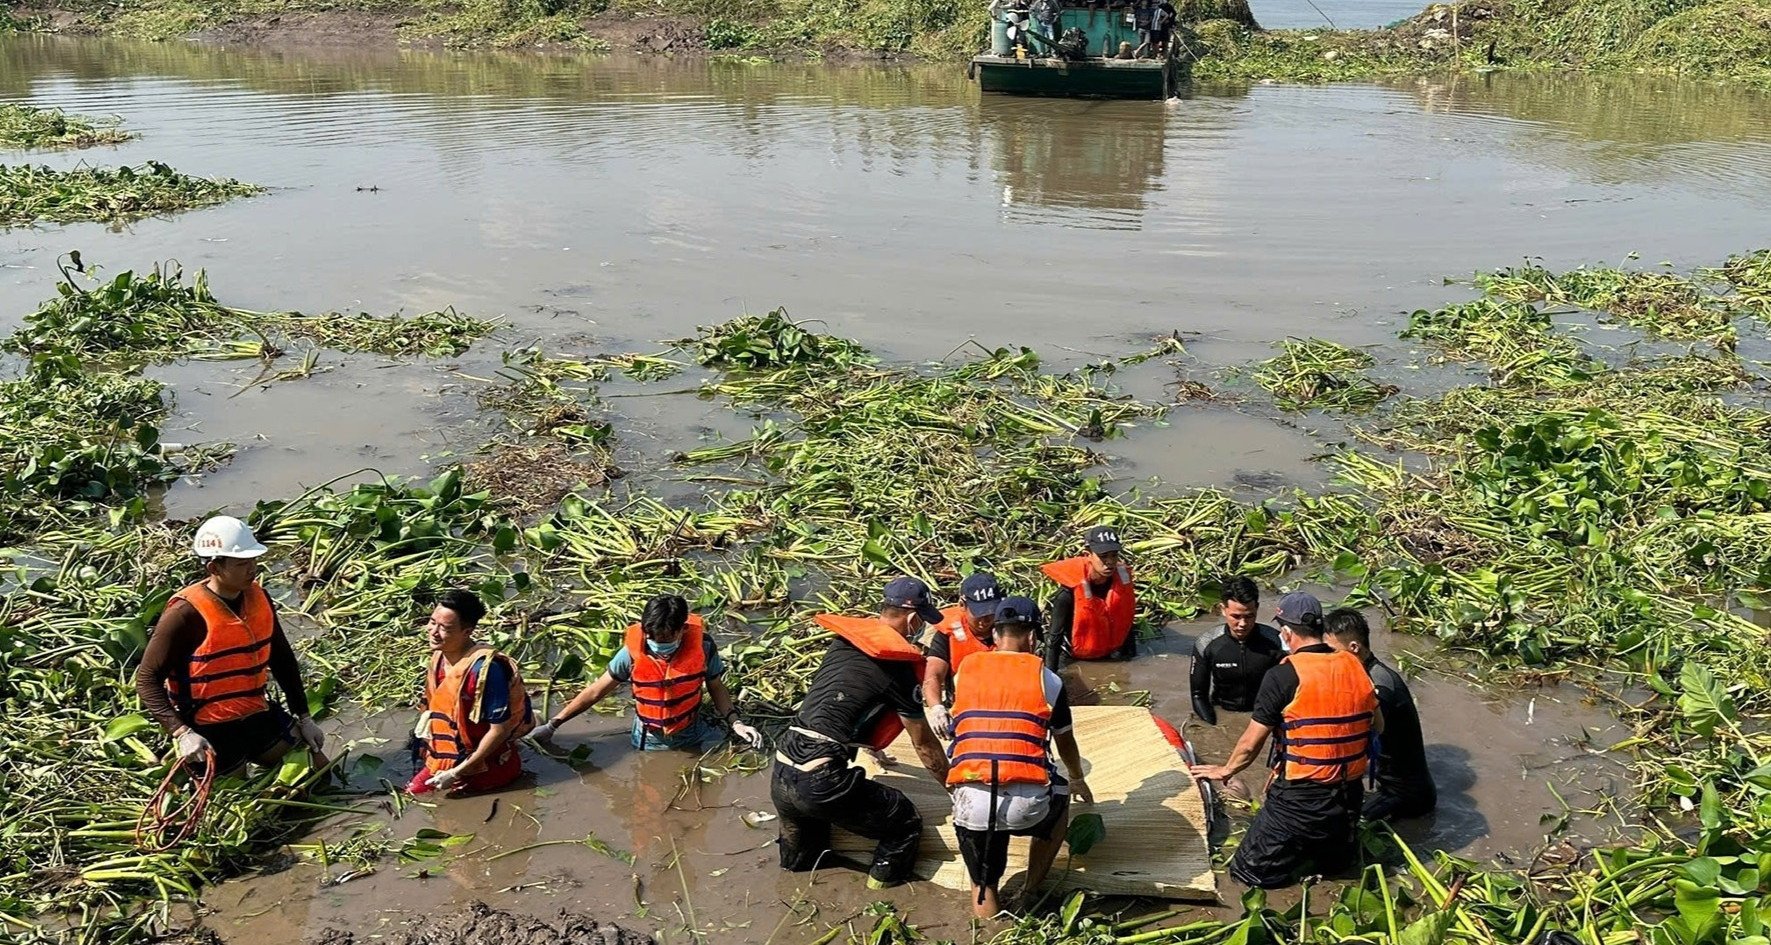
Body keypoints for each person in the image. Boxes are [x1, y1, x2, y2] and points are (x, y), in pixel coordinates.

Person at [1188, 592, 1382, 888]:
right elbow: (1378, 726)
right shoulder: (1355, 665)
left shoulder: (1283, 674)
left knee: (1246, 873)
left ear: (1288, 632)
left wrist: (1225, 770)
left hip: (1301, 800)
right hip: (1349, 798)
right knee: (1335, 866)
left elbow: (1251, 744)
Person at [771, 577, 952, 890]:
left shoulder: (844, 643)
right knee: (903, 823)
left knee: (802, 867)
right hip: (821, 781)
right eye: (922, 621)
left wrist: (872, 748)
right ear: (912, 620)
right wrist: (954, 788)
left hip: (782, 770)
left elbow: (842, 703)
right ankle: (883, 894)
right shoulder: (898, 667)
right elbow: (924, 745)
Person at [135, 515, 325, 775]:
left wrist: (304, 717)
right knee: (235, 798)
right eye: (242, 563)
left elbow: (281, 658)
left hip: (255, 712)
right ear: (214, 568)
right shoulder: (184, 614)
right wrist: (182, 733)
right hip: (207, 725)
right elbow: (147, 679)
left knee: (316, 768)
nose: (252, 569)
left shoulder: (259, 597)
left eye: (253, 560)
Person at [947, 597, 1092, 917]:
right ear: (1032, 638)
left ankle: (987, 917)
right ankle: (1030, 890)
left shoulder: (962, 673)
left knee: (983, 891)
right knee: (1062, 793)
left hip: (972, 804)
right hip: (1026, 808)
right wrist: (1078, 777)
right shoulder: (1049, 680)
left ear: (995, 637)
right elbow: (1065, 741)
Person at [529, 595, 763, 752]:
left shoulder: (704, 647)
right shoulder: (631, 653)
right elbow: (595, 692)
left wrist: (736, 723)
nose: (658, 643)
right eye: (652, 637)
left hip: (692, 733)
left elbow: (716, 686)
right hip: (647, 740)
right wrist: (553, 725)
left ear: (683, 629)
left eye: (666, 638)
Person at [414, 589, 535, 795]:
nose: (434, 632)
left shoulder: (487, 671)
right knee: (412, 792)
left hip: (485, 767)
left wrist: (457, 773)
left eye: (445, 628)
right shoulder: (439, 657)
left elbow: (500, 730)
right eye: (432, 622)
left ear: (467, 632)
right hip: (444, 757)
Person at [1323, 608, 1437, 821]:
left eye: (1332, 651)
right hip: (1392, 784)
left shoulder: (1379, 687)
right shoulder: (1364, 675)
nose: (1328, 658)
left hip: (1405, 796)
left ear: (1354, 647)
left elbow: (1353, 746)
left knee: (1344, 824)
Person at [1189, 577, 1285, 725]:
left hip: (1264, 717)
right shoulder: (1206, 643)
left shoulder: (1276, 642)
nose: (1243, 624)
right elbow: (1198, 696)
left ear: (1257, 608)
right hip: (1224, 711)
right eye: (1236, 616)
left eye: (1249, 616)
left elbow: (1289, 690)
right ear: (1223, 609)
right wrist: (1213, 727)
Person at [1042, 525, 1137, 670]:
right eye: (1103, 556)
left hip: (1113, 656)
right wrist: (1050, 678)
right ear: (1088, 555)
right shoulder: (1067, 594)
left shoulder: (1122, 583)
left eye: (1114, 555)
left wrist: (1133, 661)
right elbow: (1054, 638)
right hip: (1078, 659)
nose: (1110, 562)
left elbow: (1127, 623)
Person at [922, 572, 1004, 737]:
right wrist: (937, 708)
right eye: (979, 613)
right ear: (962, 605)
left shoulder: (1011, 628)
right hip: (964, 710)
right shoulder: (948, 634)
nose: (985, 620)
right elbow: (933, 675)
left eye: (990, 612)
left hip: (1004, 709)